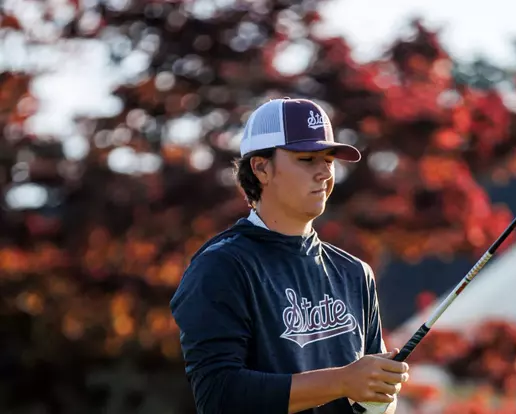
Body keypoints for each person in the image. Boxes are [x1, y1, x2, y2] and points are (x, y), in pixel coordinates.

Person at [170, 97, 410, 414]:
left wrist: (380, 394)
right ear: (261, 168)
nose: (325, 172)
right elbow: (218, 396)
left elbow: (372, 401)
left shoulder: (354, 272)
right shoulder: (222, 266)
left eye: (328, 159)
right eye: (307, 159)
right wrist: (342, 382)